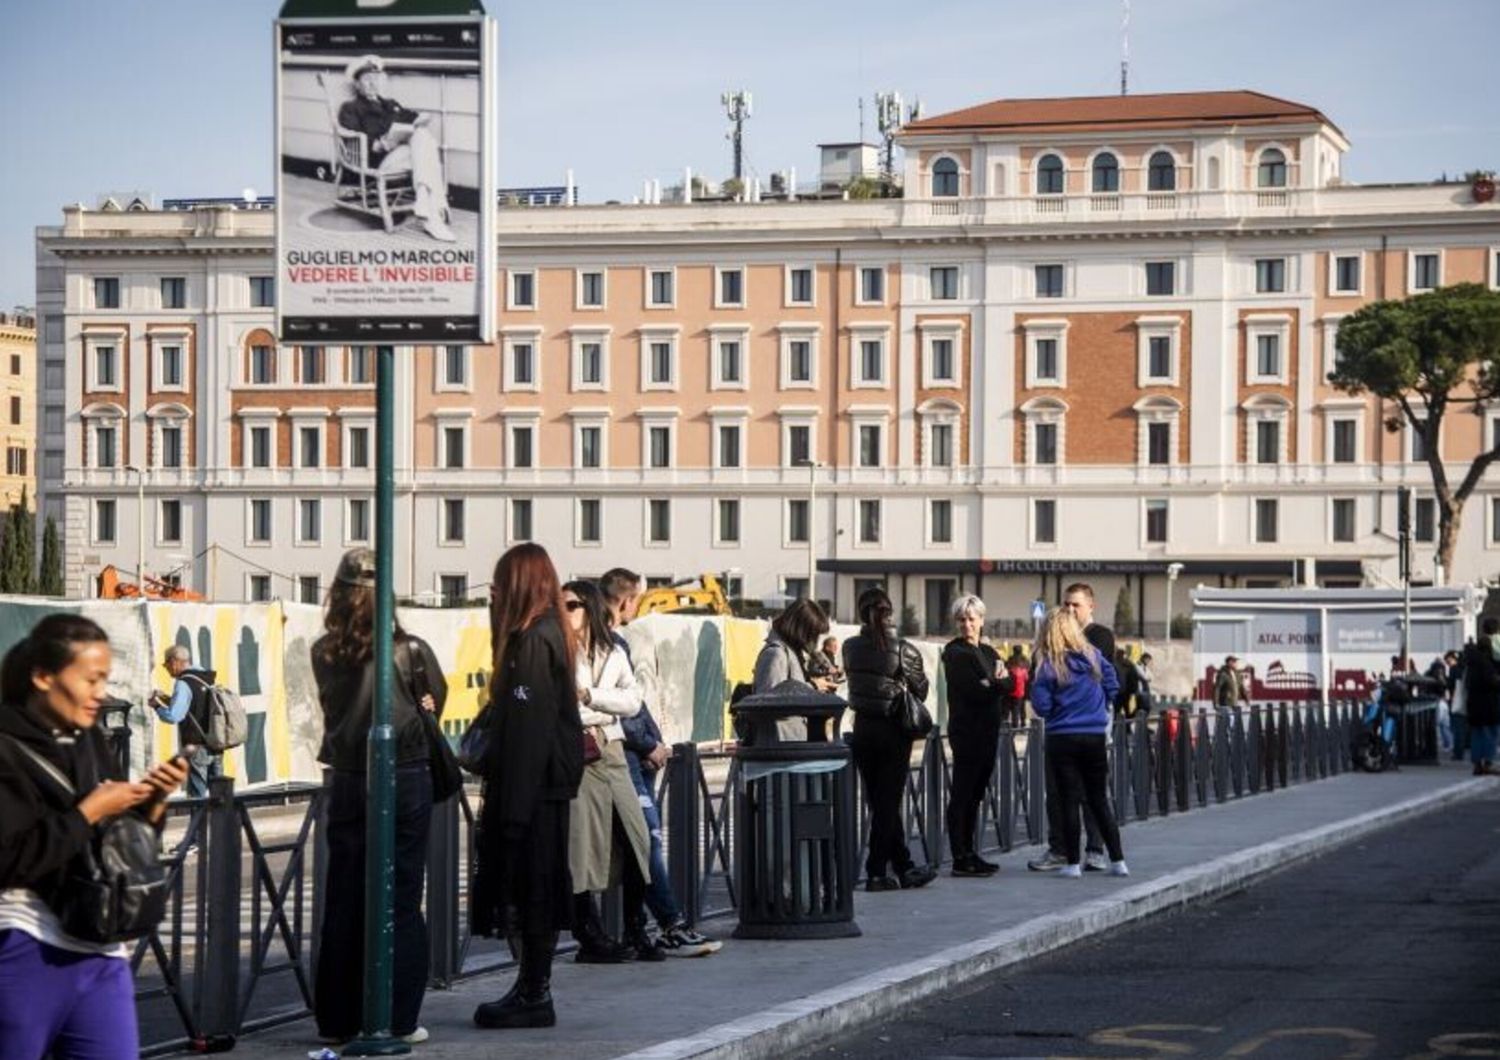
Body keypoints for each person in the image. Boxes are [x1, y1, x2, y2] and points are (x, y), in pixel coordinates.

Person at [0, 614, 188, 1060]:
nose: (100, 693)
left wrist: (152, 803)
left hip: (101, 947)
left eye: (105, 678)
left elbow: (116, 842)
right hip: (24, 941)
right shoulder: (7, 747)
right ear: (43, 677)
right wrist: (88, 812)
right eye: (90, 679)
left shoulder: (89, 738)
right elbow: (10, 859)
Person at [310, 547, 446, 1046]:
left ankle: (337, 1019)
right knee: (403, 896)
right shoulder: (410, 649)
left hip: (346, 776)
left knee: (345, 896)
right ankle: (400, 1018)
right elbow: (436, 699)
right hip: (405, 774)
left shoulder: (324, 651)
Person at [472, 544, 583, 1030]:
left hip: (531, 794)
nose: (492, 594)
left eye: (499, 583)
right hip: (538, 789)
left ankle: (534, 992)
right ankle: (530, 988)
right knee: (533, 891)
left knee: (533, 891)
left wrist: (512, 810)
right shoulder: (544, 634)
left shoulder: (533, 642)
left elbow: (529, 728)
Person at [600, 569, 721, 958]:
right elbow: (624, 706)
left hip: (631, 753)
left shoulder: (615, 640)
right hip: (625, 755)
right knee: (645, 841)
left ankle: (640, 930)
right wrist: (650, 743)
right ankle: (669, 924)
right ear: (627, 600)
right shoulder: (612, 642)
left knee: (639, 844)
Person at [560, 581, 654, 963]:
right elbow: (565, 708)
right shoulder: (559, 651)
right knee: (581, 849)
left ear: (589, 608)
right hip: (577, 752)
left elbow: (633, 701)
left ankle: (635, 927)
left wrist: (591, 697)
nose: (562, 611)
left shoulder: (613, 650)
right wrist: (599, 705)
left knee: (637, 840)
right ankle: (590, 934)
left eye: (570, 604)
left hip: (611, 751)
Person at [843, 586, 937, 892]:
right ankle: (876, 871)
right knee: (887, 803)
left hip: (862, 730)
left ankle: (904, 866)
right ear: (890, 612)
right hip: (893, 731)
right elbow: (921, 690)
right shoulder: (903, 648)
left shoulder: (849, 647)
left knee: (880, 801)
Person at [1029, 607, 1128, 880]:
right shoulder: (1094, 656)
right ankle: (1118, 861)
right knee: (1098, 799)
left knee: (1068, 800)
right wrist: (1102, 704)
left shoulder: (1049, 665)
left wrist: (1058, 710)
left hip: (1062, 738)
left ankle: (1072, 864)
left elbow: (1041, 706)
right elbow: (1113, 681)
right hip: (1094, 736)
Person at [338, 54, 456, 242]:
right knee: (426, 144)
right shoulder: (350, 108)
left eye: (376, 79)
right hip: (377, 162)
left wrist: (422, 119)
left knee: (421, 136)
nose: (372, 84)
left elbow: (414, 119)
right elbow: (349, 133)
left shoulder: (391, 105)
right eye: (367, 80)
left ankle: (426, 207)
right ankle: (432, 206)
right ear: (357, 84)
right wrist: (377, 143)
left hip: (405, 157)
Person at [942, 595, 1012, 877]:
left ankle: (971, 852)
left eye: (972, 619)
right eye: (962, 619)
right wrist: (995, 683)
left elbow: (1006, 683)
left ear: (981, 620)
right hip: (967, 731)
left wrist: (994, 682)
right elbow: (975, 690)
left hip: (988, 731)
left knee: (976, 794)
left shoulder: (988, 651)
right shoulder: (955, 652)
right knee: (963, 793)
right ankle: (960, 856)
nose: (967, 624)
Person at [753, 598, 838, 741]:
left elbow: (788, 688)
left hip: (791, 741)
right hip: (781, 745)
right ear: (802, 630)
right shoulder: (776, 654)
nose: (814, 640)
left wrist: (815, 686)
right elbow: (769, 702)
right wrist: (813, 687)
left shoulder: (790, 652)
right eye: (813, 634)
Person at [150, 645, 220, 797]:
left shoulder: (183, 683)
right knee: (220, 794)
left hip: (196, 745)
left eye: (166, 664)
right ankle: (225, 821)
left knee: (197, 797)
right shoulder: (205, 677)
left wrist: (156, 706)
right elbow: (193, 708)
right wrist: (166, 698)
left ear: (174, 662)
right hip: (216, 743)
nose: (166, 669)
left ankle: (199, 822)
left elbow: (174, 716)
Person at [1462, 619, 1500, 776]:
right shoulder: (1486, 663)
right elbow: (1491, 682)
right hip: (1489, 703)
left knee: (1477, 733)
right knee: (1491, 733)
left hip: (1473, 703)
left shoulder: (1471, 662)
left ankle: (1477, 763)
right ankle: (1488, 762)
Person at [1004, 647, 1030, 729]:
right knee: (1021, 706)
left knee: (1009, 707)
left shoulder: (1010, 661)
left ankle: (1008, 724)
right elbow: (1027, 677)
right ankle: (1022, 722)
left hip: (1009, 689)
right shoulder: (1025, 661)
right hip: (1021, 689)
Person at [1134, 652, 1157, 717]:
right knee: (1141, 707)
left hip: (1146, 689)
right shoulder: (1137, 666)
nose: (1148, 662)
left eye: (1149, 660)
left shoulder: (1145, 668)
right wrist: (1147, 678)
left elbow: (1151, 677)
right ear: (1143, 658)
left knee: (1147, 707)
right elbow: (1144, 677)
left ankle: (1144, 722)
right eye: (1147, 660)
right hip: (1140, 690)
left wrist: (1147, 678)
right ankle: (1136, 721)